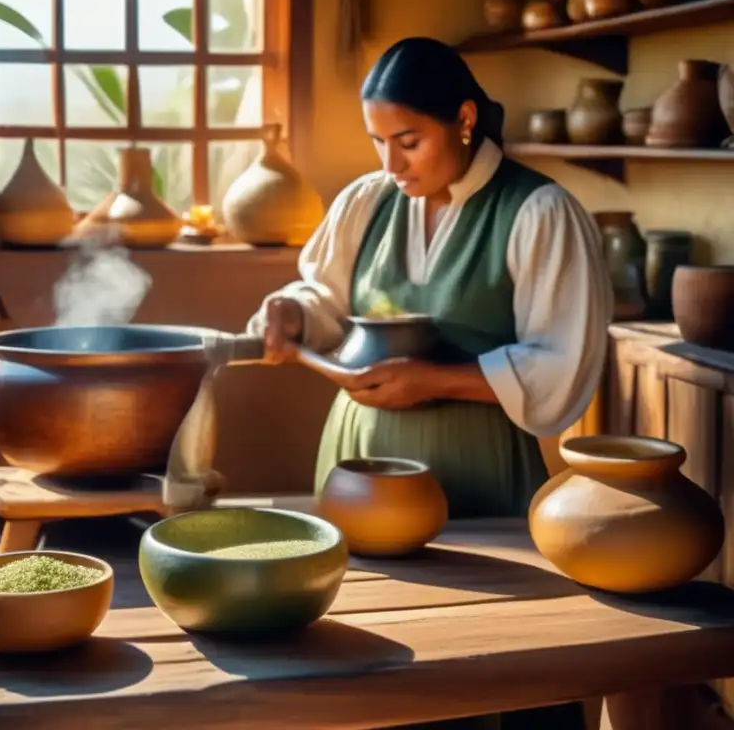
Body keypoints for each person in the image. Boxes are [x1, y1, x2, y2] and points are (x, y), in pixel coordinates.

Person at [247, 37, 612, 730]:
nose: (390, 162)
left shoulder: (538, 212)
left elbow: (562, 362)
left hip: (474, 476)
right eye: (378, 141)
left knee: (491, 668)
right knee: (366, 671)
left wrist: (434, 380)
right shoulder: (367, 201)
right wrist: (291, 310)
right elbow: (323, 298)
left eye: (408, 140)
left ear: (465, 118)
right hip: (355, 470)